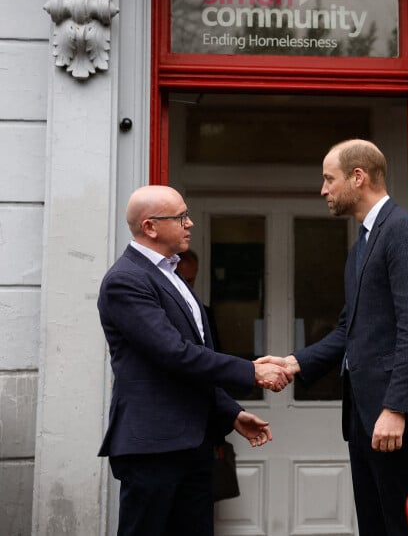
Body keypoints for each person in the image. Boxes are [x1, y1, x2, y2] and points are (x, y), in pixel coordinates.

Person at [257, 139, 408, 536]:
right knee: (376, 526)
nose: (324, 190)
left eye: (329, 179)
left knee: (402, 527)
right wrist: (296, 362)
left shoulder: (405, 230)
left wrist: (397, 408)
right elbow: (350, 329)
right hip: (367, 417)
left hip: (393, 420)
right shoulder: (363, 243)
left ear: (358, 177)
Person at [97, 185, 292, 536]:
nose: (189, 224)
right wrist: (251, 371)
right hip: (153, 446)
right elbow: (174, 354)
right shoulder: (125, 280)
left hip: (195, 443)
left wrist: (229, 412)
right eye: (180, 217)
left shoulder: (173, 275)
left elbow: (193, 358)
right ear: (151, 226)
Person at [177, 249, 222, 352]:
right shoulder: (158, 308)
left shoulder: (205, 313)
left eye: (189, 280)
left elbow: (216, 351)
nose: (185, 286)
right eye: (180, 280)